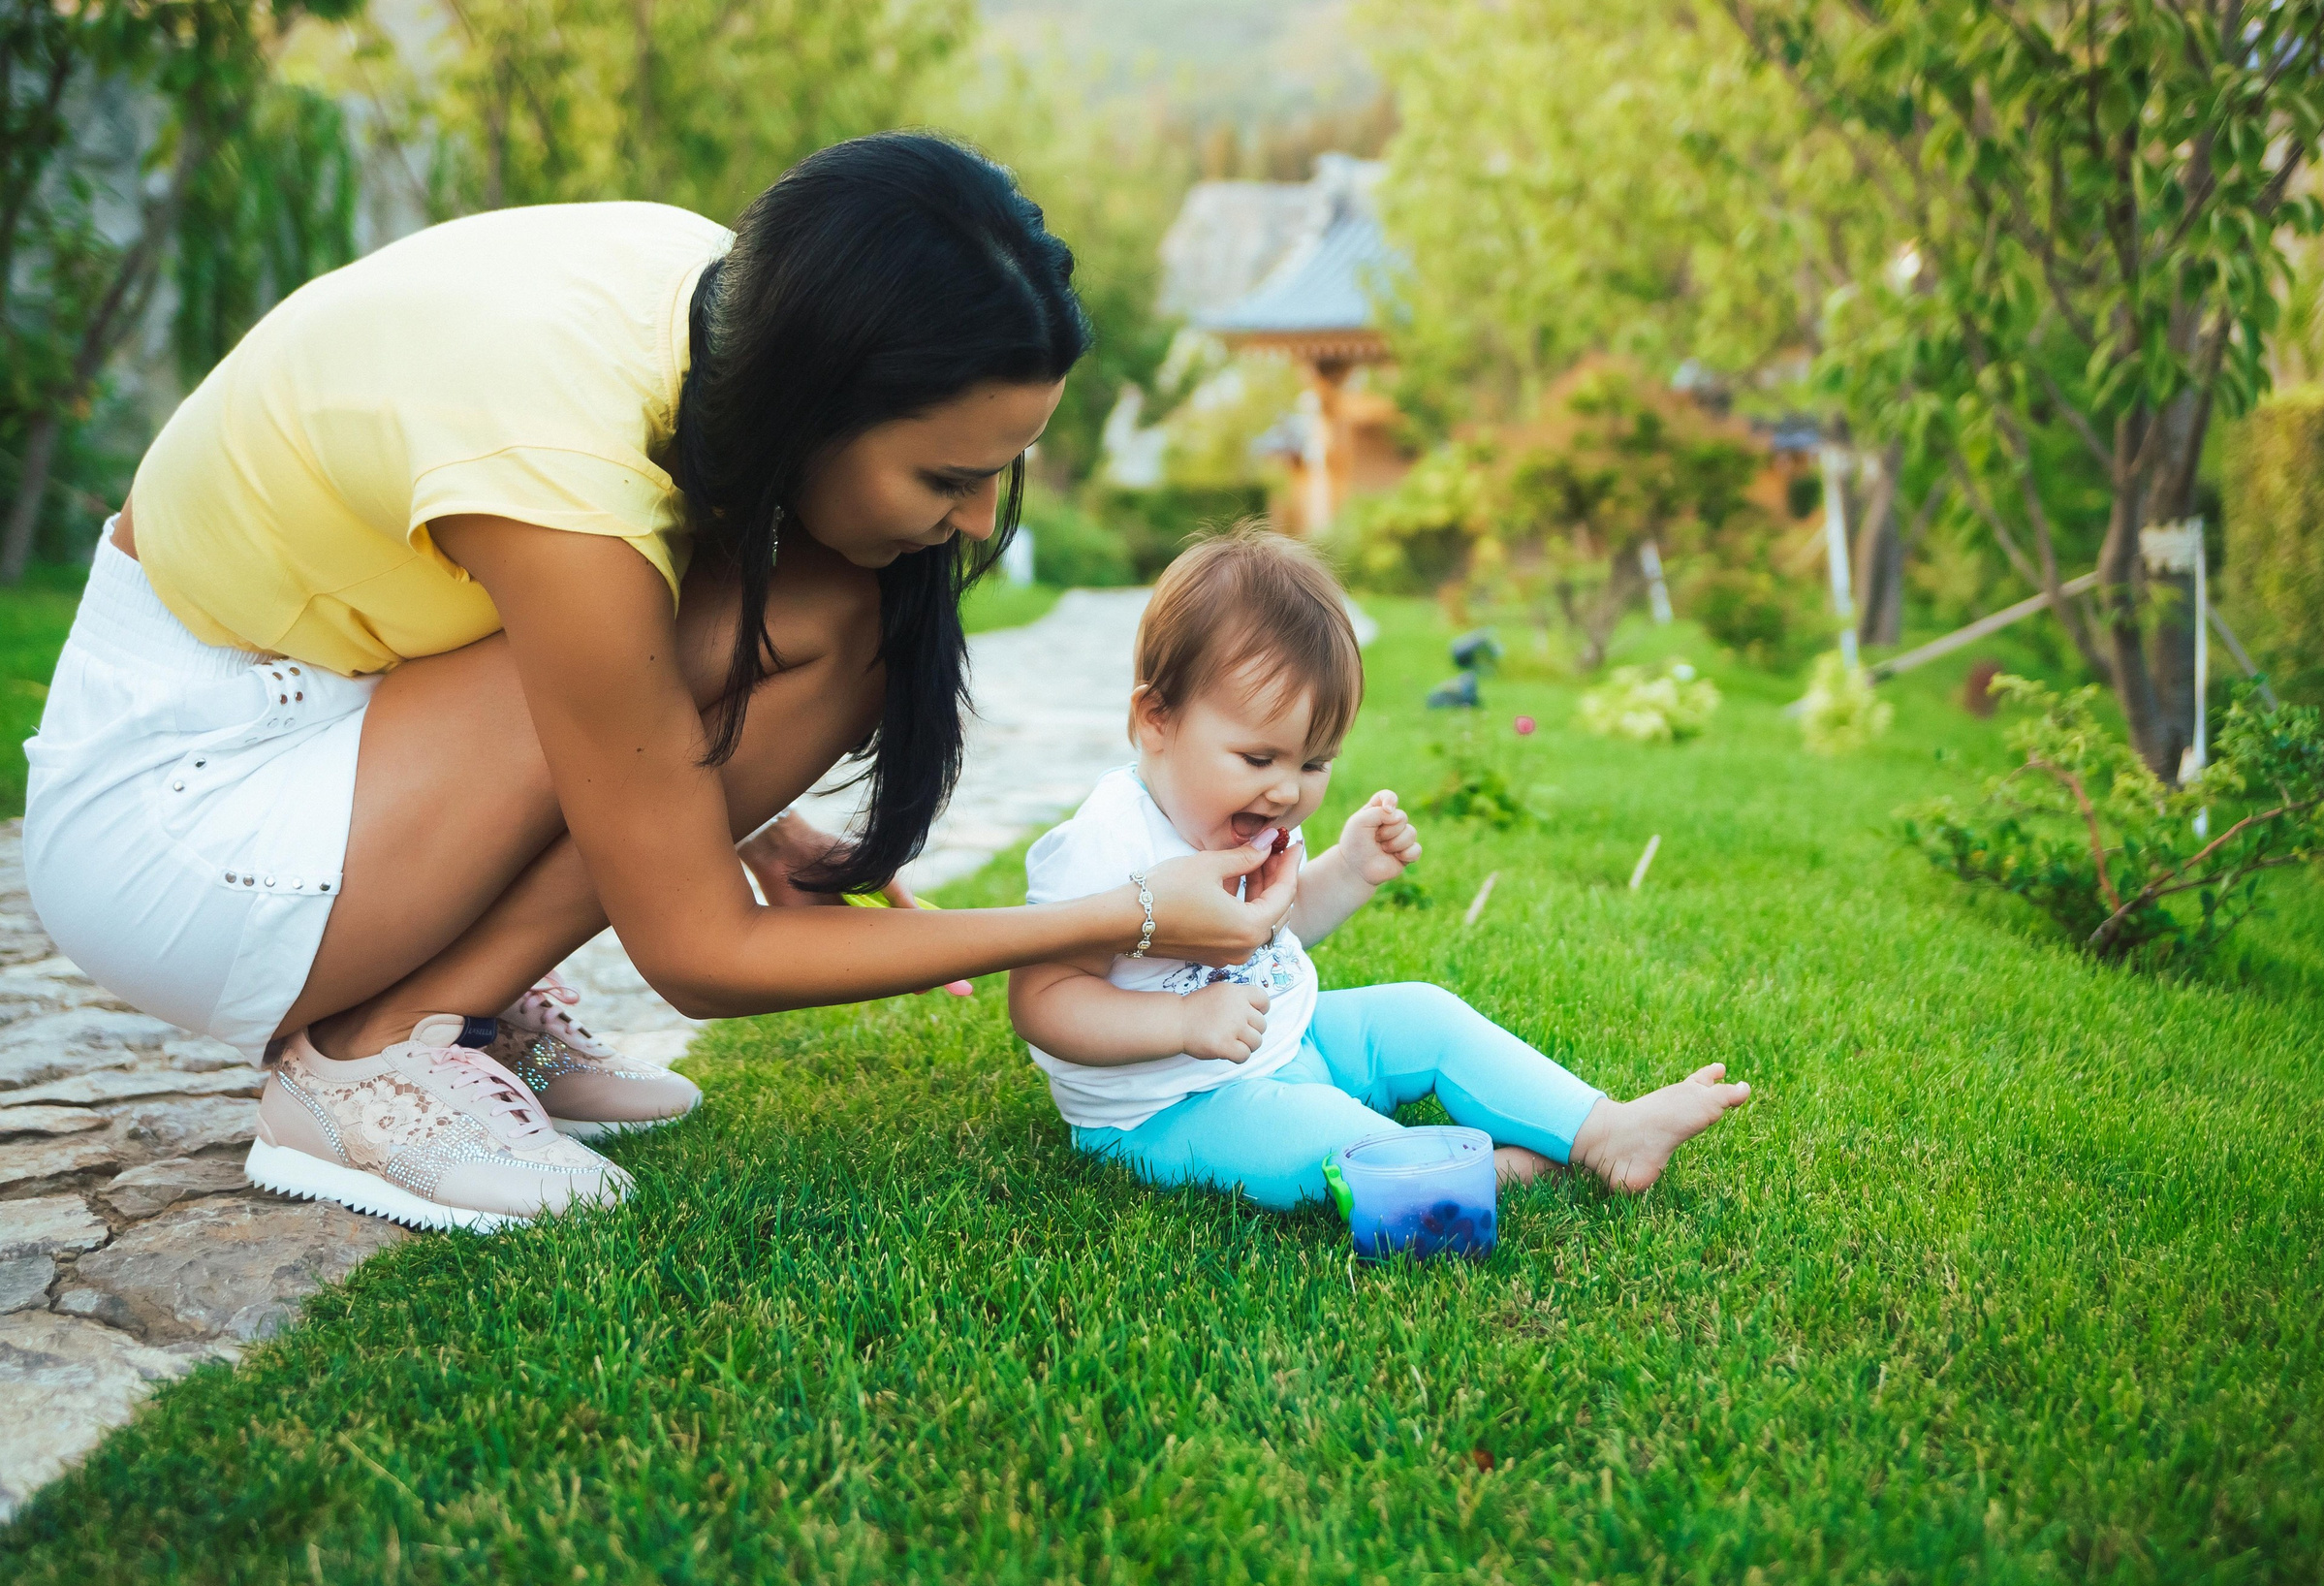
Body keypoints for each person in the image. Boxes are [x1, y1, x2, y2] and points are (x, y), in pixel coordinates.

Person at [22, 134, 1297, 1234]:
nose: (974, 523)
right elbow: (698, 951)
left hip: (335, 717)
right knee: (823, 618)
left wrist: (745, 823)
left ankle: (463, 1000)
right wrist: (1124, 915)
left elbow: (624, 702)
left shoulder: (725, 303)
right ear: (817, 407)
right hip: (184, 826)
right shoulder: (559, 468)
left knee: (824, 617)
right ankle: (369, 1056)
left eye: (1000, 469)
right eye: (945, 477)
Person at [1008, 528, 1749, 1209]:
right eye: (1259, 757)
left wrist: (1349, 869)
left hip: (1298, 1038)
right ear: (1157, 720)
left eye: (1314, 763)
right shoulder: (1105, 845)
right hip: (1175, 1108)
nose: (1287, 790)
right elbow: (1042, 1002)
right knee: (1330, 1139)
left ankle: (1604, 1129)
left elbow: (1272, 927)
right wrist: (1180, 1021)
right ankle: (1474, 1172)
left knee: (1426, 1013)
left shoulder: (1250, 816)